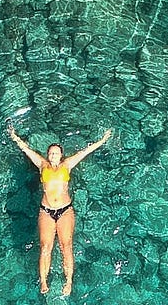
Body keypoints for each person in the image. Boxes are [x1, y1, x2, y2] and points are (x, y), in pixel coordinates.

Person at [9, 123, 112, 296]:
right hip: (46, 211)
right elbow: (26, 150)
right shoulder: (42, 165)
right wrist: (14, 136)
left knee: (66, 246)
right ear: (48, 155)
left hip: (65, 210)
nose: (53, 155)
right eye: (50, 153)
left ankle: (69, 282)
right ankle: (43, 281)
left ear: (61, 155)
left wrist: (102, 140)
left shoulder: (67, 165)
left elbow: (85, 152)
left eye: (56, 153)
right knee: (45, 247)